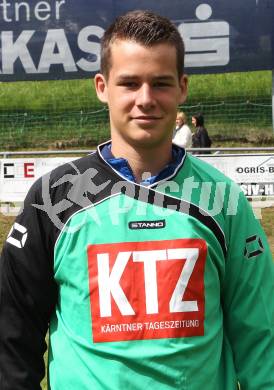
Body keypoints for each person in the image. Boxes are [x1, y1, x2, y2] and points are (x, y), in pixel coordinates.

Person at [0, 10, 273, 390]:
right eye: (129, 83)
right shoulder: (53, 199)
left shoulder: (224, 200)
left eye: (160, 83)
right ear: (102, 87)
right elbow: (12, 337)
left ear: (182, 88)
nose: (145, 99)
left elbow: (262, 337)